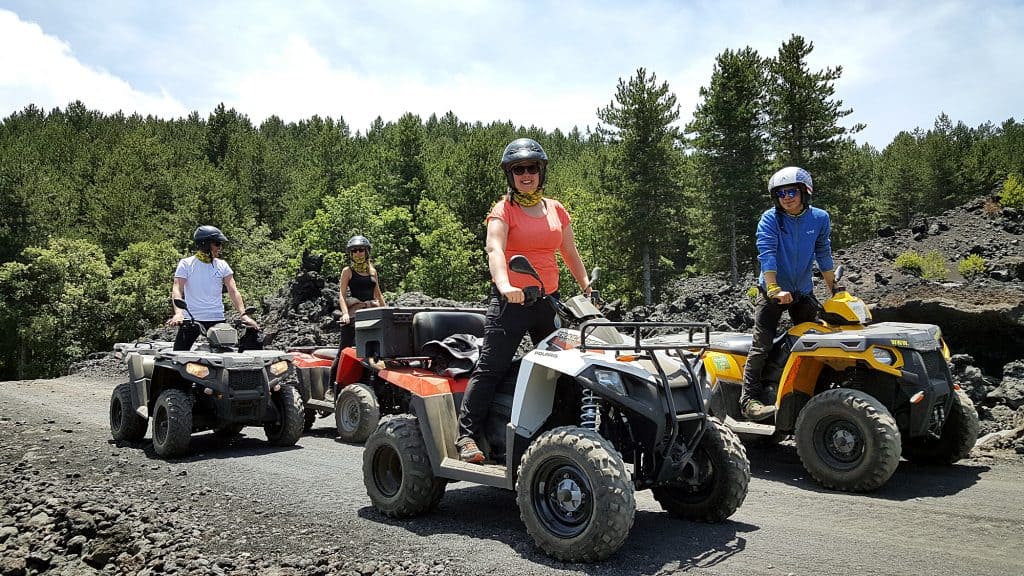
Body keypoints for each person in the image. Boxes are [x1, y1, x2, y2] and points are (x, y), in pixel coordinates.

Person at [455, 137, 592, 463]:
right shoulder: (504, 210)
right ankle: (467, 437)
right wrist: (504, 285)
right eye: (519, 169)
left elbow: (569, 251)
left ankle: (558, 433)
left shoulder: (556, 209)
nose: (526, 174)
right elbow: (495, 250)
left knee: (566, 368)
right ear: (510, 174)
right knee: (491, 368)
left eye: (532, 168)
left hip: (549, 302)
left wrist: (587, 286)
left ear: (541, 171)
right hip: (511, 303)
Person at [741, 167, 836, 420]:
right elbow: (767, 253)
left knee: (819, 342)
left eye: (792, 191)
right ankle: (749, 399)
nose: (786, 197)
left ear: (805, 192)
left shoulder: (819, 219)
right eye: (781, 193)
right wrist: (773, 288)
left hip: (802, 290)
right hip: (772, 290)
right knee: (760, 345)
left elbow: (824, 254)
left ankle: (814, 393)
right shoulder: (770, 219)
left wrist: (836, 290)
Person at [168, 225, 258, 351]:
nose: (220, 247)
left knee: (226, 356)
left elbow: (233, 291)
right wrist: (178, 313)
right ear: (205, 244)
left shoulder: (222, 265)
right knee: (178, 356)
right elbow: (177, 288)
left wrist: (243, 314)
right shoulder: (186, 264)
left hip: (217, 318)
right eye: (217, 244)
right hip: (192, 320)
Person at [330, 235, 387, 383]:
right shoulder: (347, 271)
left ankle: (367, 383)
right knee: (343, 350)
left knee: (372, 351)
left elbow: (378, 295)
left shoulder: (372, 271)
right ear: (351, 254)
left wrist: (387, 312)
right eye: (354, 251)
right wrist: (345, 314)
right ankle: (331, 386)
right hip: (354, 314)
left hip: (370, 313)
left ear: (366, 251)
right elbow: (341, 295)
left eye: (361, 250)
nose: (357, 253)